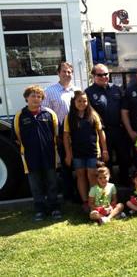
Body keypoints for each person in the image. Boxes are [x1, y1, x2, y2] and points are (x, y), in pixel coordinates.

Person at [14, 85, 61, 221]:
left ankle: (54, 208)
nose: (36, 99)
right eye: (33, 96)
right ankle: (40, 210)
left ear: (42, 99)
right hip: (30, 157)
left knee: (52, 183)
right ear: (26, 98)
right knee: (35, 185)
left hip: (49, 155)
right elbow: (17, 137)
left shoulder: (49, 114)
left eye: (39, 96)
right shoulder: (20, 116)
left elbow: (56, 134)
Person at [63, 91, 108, 211]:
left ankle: (95, 201)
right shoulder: (69, 117)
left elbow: (101, 133)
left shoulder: (93, 115)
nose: (82, 103)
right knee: (80, 176)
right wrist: (68, 154)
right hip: (77, 153)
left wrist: (104, 150)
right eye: (79, 101)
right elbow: (66, 137)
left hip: (92, 151)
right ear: (74, 102)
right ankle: (85, 202)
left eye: (85, 101)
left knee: (92, 176)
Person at [85, 63, 130, 185]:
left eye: (106, 74)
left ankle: (125, 183)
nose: (104, 77)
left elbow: (124, 110)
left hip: (119, 130)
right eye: (100, 75)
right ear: (93, 76)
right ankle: (108, 187)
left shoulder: (116, 89)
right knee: (106, 161)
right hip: (102, 133)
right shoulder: (88, 93)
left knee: (124, 158)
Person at [43, 61, 79, 202]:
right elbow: (45, 116)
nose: (66, 74)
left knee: (79, 166)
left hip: (78, 136)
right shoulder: (49, 91)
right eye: (64, 71)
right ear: (58, 73)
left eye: (69, 71)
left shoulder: (77, 91)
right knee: (66, 166)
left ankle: (81, 194)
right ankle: (68, 195)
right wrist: (54, 135)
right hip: (61, 136)